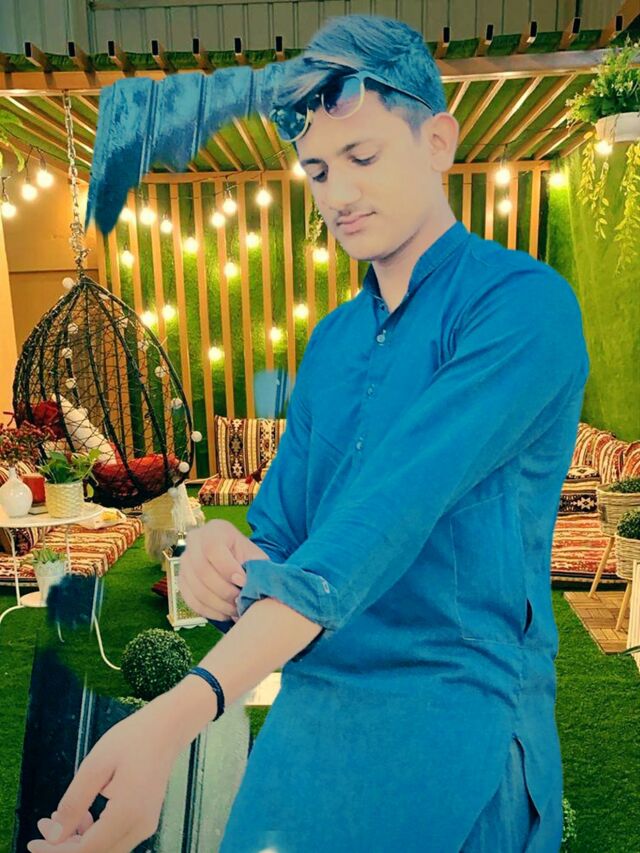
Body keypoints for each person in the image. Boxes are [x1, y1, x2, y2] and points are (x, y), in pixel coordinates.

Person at [28, 14, 589, 853]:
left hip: (454, 718)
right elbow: (286, 533)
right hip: (311, 714)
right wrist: (222, 553)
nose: (338, 194)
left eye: (363, 156)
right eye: (319, 169)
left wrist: (175, 715)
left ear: (438, 142)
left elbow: (377, 522)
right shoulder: (332, 341)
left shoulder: (522, 307)